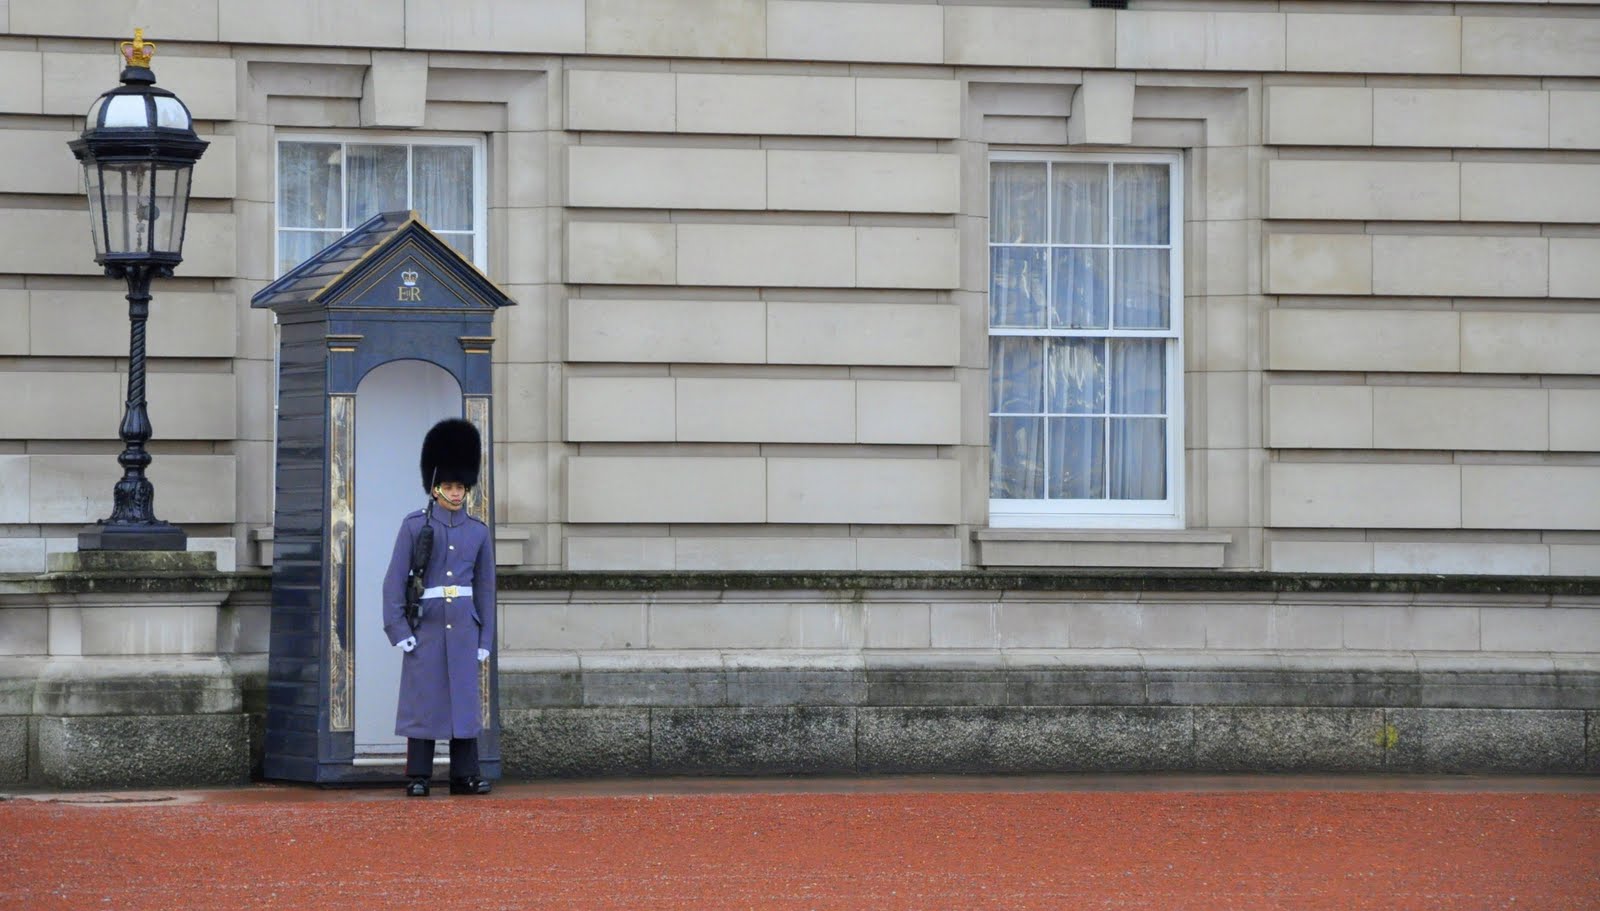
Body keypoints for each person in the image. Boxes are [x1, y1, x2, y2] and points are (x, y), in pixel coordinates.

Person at [381, 418, 496, 797]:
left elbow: (484, 587)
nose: (456, 492)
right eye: (448, 485)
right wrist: (398, 630)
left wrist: (486, 637)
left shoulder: (477, 531)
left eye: (460, 485)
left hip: (464, 625)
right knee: (424, 700)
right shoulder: (415, 526)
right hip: (426, 625)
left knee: (464, 700)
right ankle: (418, 774)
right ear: (434, 487)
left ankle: (465, 774)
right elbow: (394, 579)